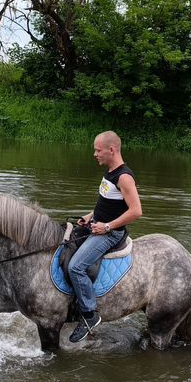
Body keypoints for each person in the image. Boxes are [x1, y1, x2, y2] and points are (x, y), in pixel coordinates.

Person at [68, 131, 142, 343]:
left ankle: (90, 315)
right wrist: (89, 216)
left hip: (111, 234)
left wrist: (107, 227)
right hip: (97, 226)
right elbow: (106, 204)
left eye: (98, 150)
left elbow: (136, 210)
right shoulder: (110, 173)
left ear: (112, 150)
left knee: (76, 266)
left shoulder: (124, 177)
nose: (94, 154)